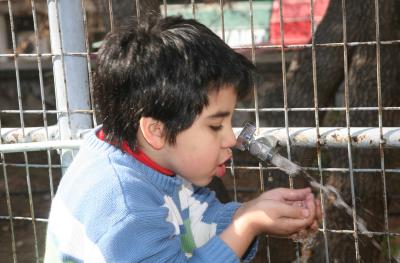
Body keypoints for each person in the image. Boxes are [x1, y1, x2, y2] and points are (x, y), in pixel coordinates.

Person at [44, 15, 320, 262]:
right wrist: (246, 225)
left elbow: (197, 223)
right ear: (157, 131)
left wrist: (254, 211)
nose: (230, 139)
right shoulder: (124, 207)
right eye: (215, 126)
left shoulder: (154, 164)